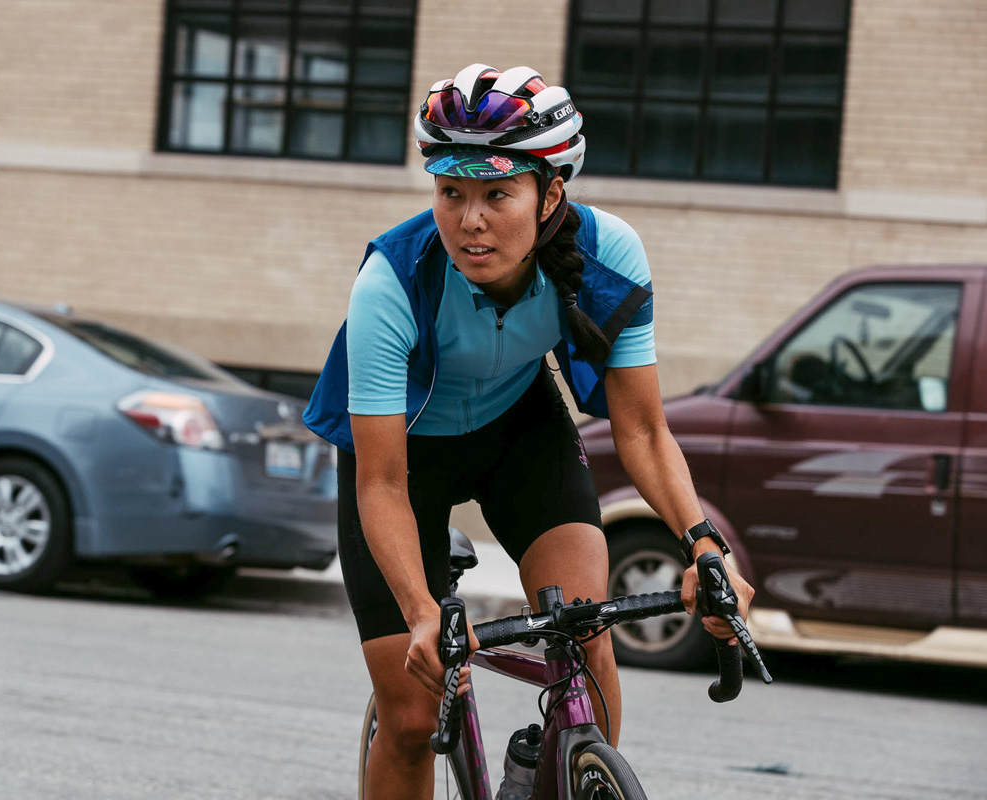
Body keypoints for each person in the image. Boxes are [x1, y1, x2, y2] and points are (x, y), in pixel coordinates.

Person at [303, 63, 755, 799]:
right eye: (451, 193)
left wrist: (704, 545)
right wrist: (421, 613)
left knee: (586, 640)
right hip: (404, 462)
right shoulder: (390, 284)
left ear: (551, 194)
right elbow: (380, 481)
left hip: (520, 430)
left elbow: (643, 430)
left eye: (496, 194)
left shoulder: (610, 251)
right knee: (413, 714)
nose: (469, 220)